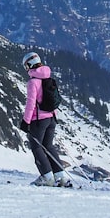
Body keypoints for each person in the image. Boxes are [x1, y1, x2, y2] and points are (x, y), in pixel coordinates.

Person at [19, 51, 72, 187]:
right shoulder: (48, 78)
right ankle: (61, 177)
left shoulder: (33, 82)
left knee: (36, 147)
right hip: (51, 118)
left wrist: (26, 121)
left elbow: (31, 104)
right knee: (49, 146)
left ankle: (47, 177)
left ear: (29, 65)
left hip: (39, 120)